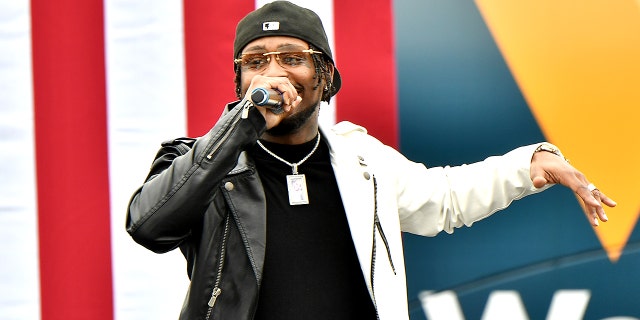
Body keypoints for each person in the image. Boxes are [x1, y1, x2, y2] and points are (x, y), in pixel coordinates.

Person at [125, 1, 616, 319]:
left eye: (291, 57)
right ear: (239, 83)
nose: (272, 72)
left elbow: (441, 200)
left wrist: (529, 165)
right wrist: (241, 126)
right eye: (256, 61)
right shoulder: (201, 164)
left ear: (324, 76)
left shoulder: (361, 159)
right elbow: (150, 226)